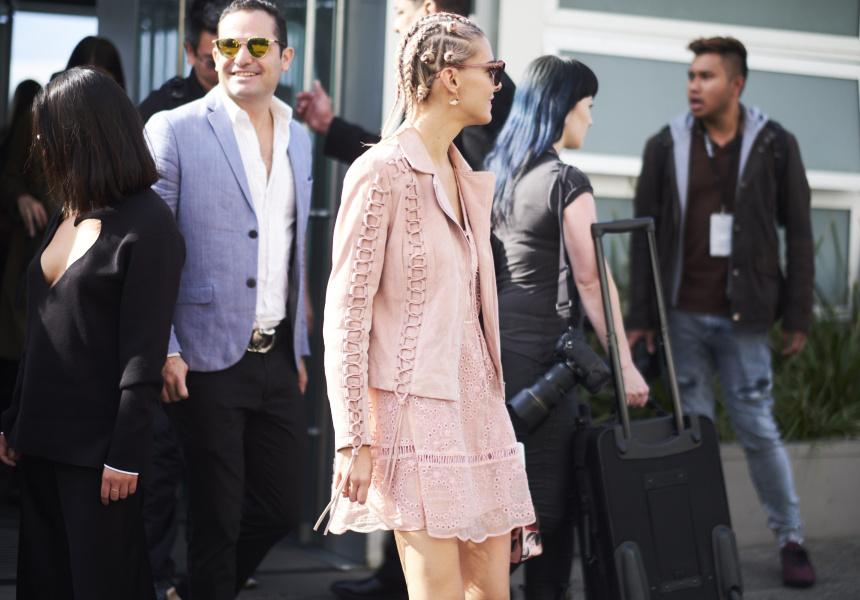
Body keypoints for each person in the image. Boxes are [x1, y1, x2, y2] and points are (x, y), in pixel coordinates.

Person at [317, 11, 536, 600]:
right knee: (437, 592)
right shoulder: (379, 171)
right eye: (491, 69)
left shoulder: (463, 175)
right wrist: (353, 438)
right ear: (450, 78)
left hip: (478, 405)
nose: (498, 84)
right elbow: (346, 317)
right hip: (413, 410)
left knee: (492, 591)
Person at [626, 36, 816, 588]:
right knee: (695, 434)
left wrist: (797, 315)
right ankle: (702, 544)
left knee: (757, 428)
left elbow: (800, 233)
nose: (694, 85)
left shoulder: (775, 144)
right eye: (691, 75)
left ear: (736, 84)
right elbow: (642, 235)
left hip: (747, 318)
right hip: (682, 316)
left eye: (706, 76)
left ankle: (792, 539)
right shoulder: (666, 144)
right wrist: (642, 315)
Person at [145, 1, 312, 598]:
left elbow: (292, 248)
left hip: (276, 357)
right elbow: (149, 252)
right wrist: (165, 348)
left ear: (284, 57)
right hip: (203, 356)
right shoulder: (174, 128)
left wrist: (298, 346)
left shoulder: (299, 136)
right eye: (229, 45)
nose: (242, 57)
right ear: (212, 54)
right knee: (215, 518)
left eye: (258, 46)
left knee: (279, 508)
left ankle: (195, 591)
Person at [0, 66, 185, 599]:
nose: (40, 144)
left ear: (85, 134)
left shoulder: (150, 225)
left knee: (101, 587)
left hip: (100, 457)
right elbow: (43, 331)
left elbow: (143, 359)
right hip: (39, 443)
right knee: (44, 585)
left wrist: (125, 455)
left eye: (48, 132)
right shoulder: (68, 209)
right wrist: (14, 418)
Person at [485, 55, 649, 600]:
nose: (591, 119)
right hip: (545, 364)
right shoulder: (565, 180)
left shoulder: (501, 174)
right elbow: (592, 278)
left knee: (519, 506)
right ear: (563, 109)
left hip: (500, 357)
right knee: (545, 513)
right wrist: (623, 363)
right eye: (588, 107)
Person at [0, 36, 125, 441]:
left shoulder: (122, 124)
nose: (92, 90)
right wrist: (21, 198)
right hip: (36, 247)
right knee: (22, 358)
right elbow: (10, 174)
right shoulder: (43, 111)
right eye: (84, 77)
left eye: (102, 80)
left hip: (94, 257)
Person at [295, 0, 514, 170]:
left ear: (429, 10)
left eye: (400, 12)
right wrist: (330, 125)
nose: (395, 26)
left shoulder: (482, 94)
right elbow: (400, 157)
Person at [139, 0, 228, 123]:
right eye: (212, 62)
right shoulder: (162, 108)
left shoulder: (252, 102)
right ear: (190, 52)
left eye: (229, 55)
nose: (223, 66)